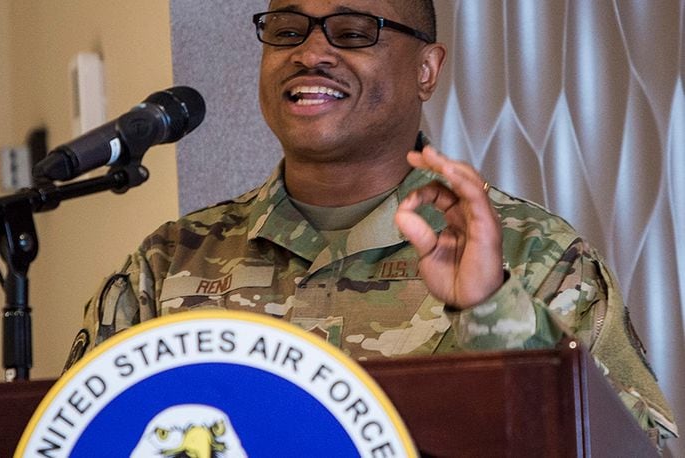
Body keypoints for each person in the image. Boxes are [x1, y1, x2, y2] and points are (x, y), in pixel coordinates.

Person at [65, 0, 677, 446]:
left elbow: (633, 447)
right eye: (286, 30)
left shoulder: (536, 255)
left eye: (354, 32)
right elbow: (75, 435)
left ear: (426, 70)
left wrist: (493, 310)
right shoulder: (169, 262)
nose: (310, 52)